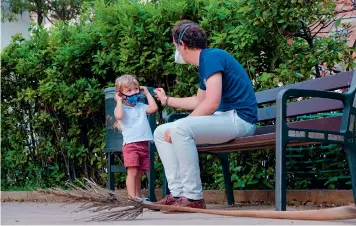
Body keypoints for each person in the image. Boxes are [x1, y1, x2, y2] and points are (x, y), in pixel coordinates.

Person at [153, 20, 258, 209]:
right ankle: (178, 194)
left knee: (180, 129)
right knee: (161, 132)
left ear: (182, 45)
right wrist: (167, 100)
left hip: (240, 119)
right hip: (226, 118)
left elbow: (211, 103)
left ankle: (194, 198)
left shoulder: (211, 57)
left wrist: (179, 126)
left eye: (175, 46)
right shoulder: (205, 63)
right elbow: (198, 101)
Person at [114, 74, 158, 200]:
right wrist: (119, 101)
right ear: (121, 94)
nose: (134, 92)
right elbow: (119, 116)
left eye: (136, 89)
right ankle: (132, 198)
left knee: (139, 173)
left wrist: (147, 94)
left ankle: (138, 198)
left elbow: (154, 108)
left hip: (143, 144)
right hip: (131, 145)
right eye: (129, 90)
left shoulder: (141, 107)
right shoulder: (121, 108)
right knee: (132, 172)